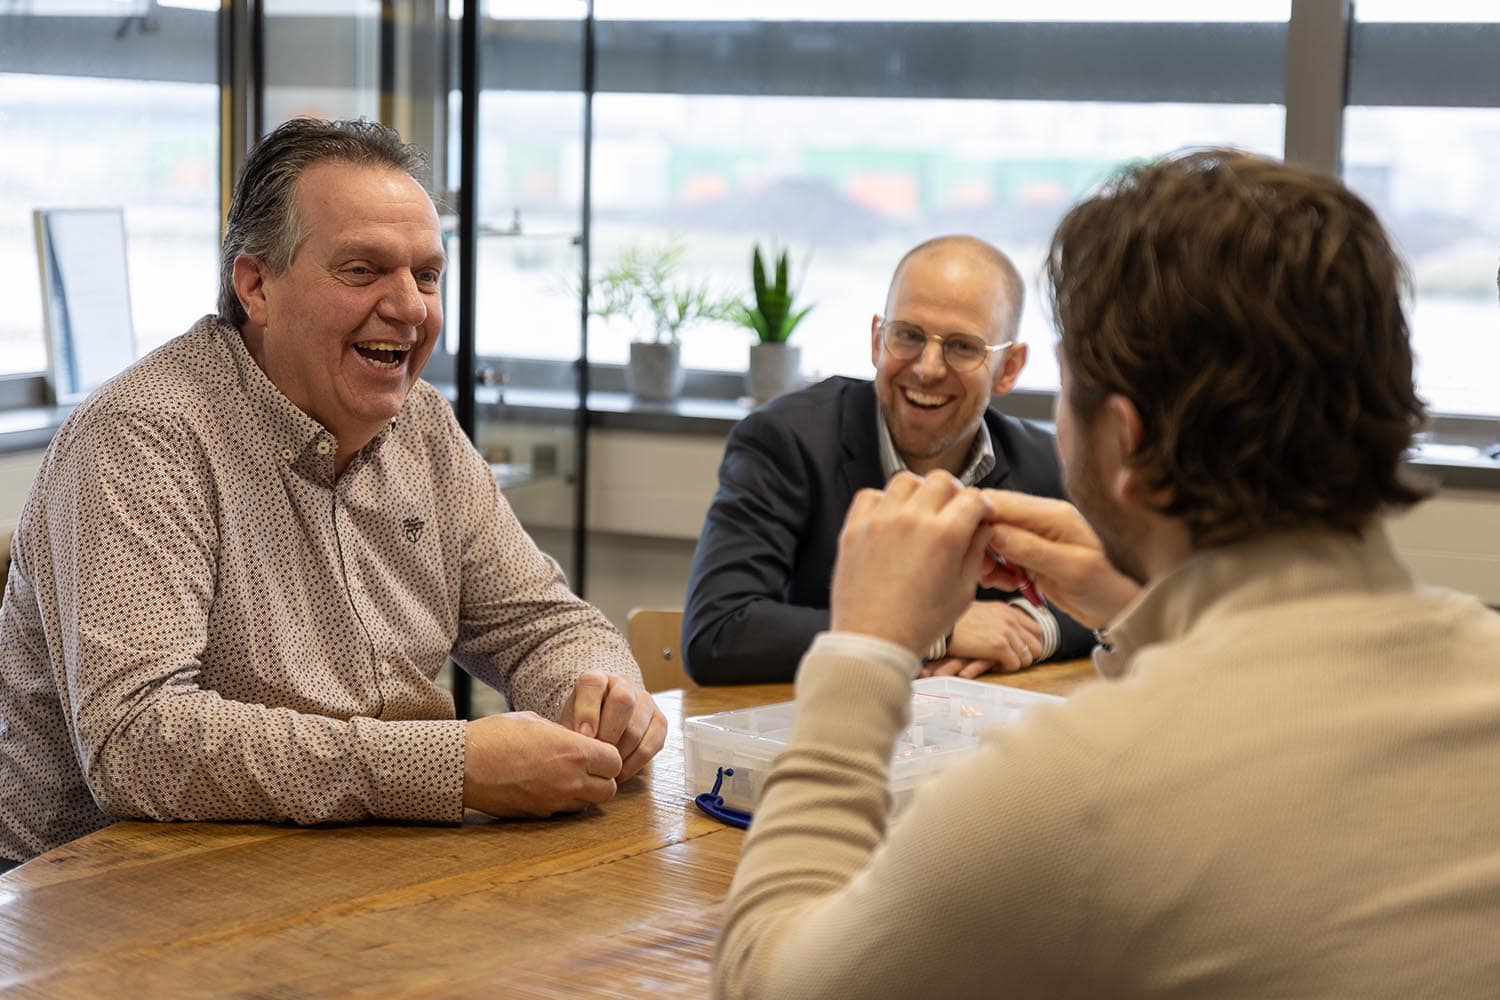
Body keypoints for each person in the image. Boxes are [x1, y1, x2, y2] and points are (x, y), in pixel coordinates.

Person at [713, 149, 1500, 998]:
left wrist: (864, 650)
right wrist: (1142, 605)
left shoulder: (1066, 796)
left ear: (1123, 438)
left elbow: (771, 982)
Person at [0, 117, 665, 868]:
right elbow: (138, 743)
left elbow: (541, 625)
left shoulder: (423, 427)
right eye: (363, 270)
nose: (411, 306)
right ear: (256, 285)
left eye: (426, 274)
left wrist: (603, 696)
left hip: (356, 869)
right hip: (108, 903)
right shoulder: (144, 436)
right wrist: (451, 766)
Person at [682, 234, 1093, 685]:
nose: (928, 368)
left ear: (1009, 368)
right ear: (878, 341)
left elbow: (1122, 591)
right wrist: (934, 631)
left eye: (962, 347)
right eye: (908, 336)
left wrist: (1033, 627)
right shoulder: (784, 441)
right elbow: (718, 634)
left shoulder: (1045, 461)